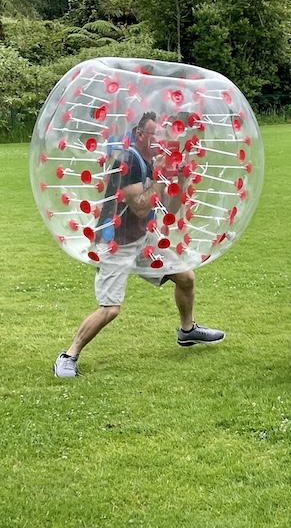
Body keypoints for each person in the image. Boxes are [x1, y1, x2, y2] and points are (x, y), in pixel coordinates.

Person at [54, 112, 224, 378]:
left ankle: (187, 331)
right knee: (110, 309)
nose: (159, 139)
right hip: (116, 244)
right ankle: (68, 355)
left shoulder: (154, 162)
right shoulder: (129, 160)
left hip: (144, 239)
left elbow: (168, 208)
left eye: (161, 134)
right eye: (154, 134)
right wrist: (158, 175)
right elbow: (141, 207)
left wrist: (179, 179)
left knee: (186, 277)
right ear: (139, 134)